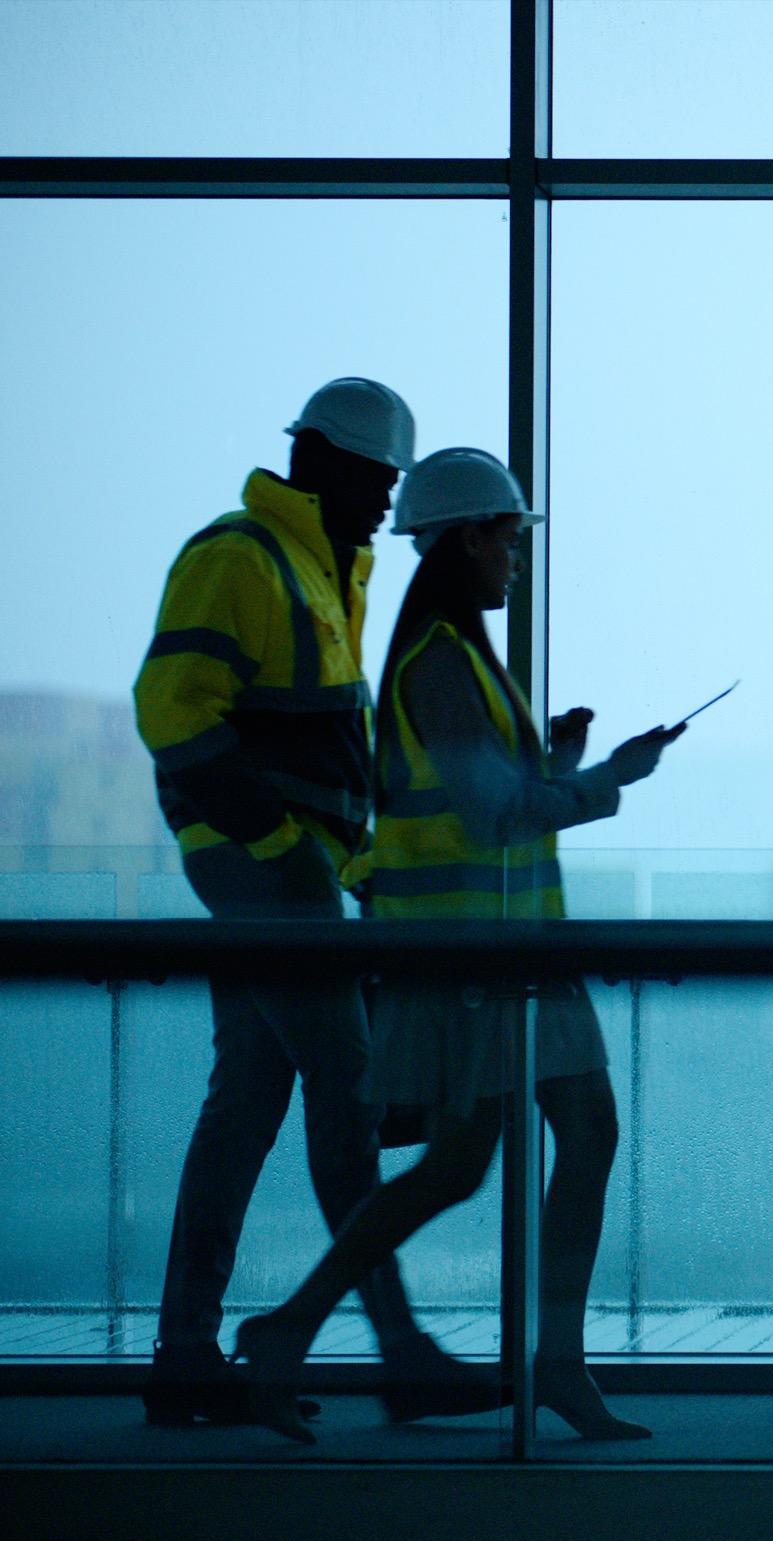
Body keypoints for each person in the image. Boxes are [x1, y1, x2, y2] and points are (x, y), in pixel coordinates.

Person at [228, 448, 683, 1443]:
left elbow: (483, 795)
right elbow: (491, 817)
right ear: (471, 536)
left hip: (501, 954)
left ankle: (302, 1331)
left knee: (479, 1161)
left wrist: (555, 757)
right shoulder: (442, 657)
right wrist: (611, 777)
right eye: (511, 539)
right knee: (525, 1150)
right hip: (483, 962)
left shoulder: (453, 654)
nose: (517, 560)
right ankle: (533, 1360)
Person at [134, 378, 492, 1429]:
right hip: (264, 868)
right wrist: (277, 842)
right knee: (346, 1086)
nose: (388, 499)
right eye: (379, 477)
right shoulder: (240, 557)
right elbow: (173, 707)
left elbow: (316, 741)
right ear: (323, 463)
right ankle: (398, 1353)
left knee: (245, 1102)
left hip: (291, 867)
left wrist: (346, 858)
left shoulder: (325, 567)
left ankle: (186, 1357)